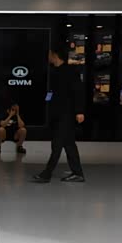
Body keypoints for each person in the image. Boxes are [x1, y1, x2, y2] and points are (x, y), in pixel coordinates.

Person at [33, 46, 85, 183]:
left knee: (57, 144)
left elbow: (78, 92)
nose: (48, 57)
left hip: (66, 114)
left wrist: (79, 111)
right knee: (69, 144)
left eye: (50, 54)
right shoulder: (54, 71)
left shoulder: (70, 71)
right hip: (57, 114)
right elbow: (52, 92)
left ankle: (47, 174)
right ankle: (78, 173)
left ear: (55, 55)